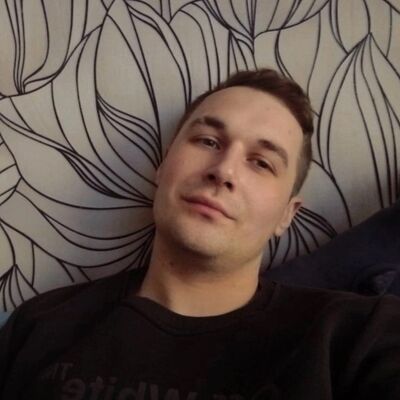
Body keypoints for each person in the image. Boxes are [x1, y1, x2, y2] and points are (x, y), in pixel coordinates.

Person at [0, 69, 399, 400]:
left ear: (286, 215)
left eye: (261, 163)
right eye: (208, 141)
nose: (223, 171)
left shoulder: (358, 336)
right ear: (163, 167)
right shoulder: (38, 325)